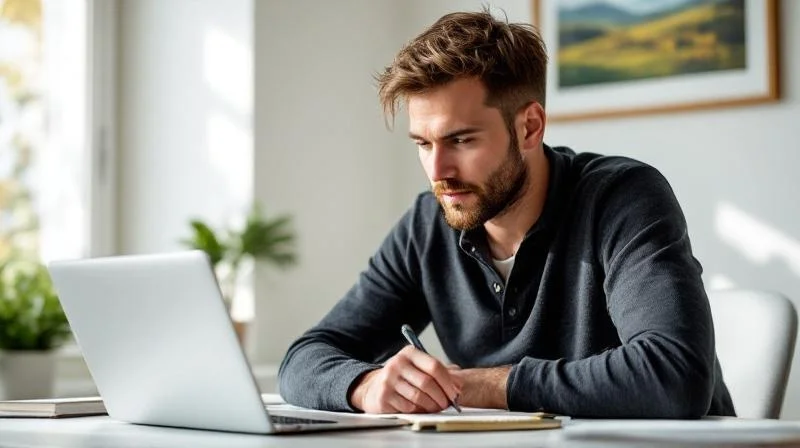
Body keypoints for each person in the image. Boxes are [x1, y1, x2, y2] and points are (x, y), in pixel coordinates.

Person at [278, 9, 735, 418]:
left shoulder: (623, 198)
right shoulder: (428, 225)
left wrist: (474, 385)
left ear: (529, 127)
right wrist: (366, 386)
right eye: (423, 143)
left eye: (461, 140)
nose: (438, 172)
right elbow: (303, 359)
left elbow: (675, 374)